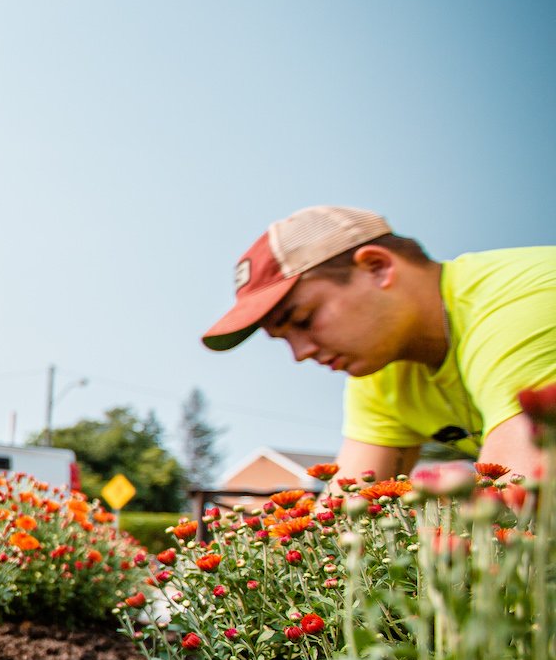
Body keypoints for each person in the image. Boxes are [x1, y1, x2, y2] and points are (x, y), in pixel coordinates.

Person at [201, 205, 556, 481]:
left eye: (304, 320)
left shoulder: (523, 305)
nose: (300, 353)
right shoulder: (382, 367)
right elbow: (345, 519)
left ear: (377, 267)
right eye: (283, 340)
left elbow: (515, 508)